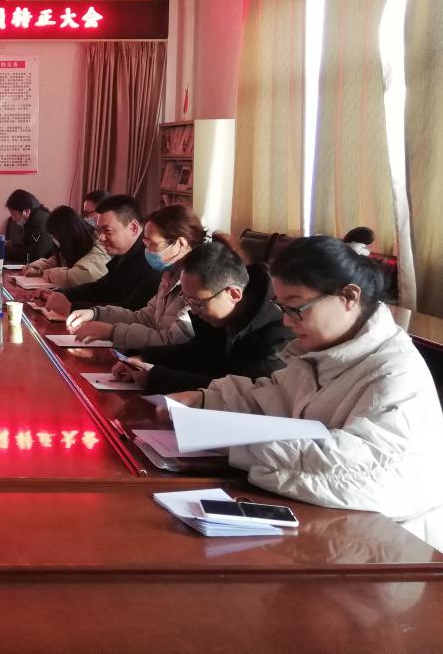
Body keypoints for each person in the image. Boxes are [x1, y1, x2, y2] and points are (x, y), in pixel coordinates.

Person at [161, 236, 443, 551]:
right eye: (282, 307)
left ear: (349, 297)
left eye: (296, 308)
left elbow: (352, 469)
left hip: (389, 547)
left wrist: (236, 444)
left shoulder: (395, 374)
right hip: (325, 526)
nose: (286, 320)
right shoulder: (325, 353)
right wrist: (205, 400)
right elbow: (273, 397)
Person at [112, 237, 292, 394]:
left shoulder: (277, 333)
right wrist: (143, 358)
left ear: (233, 294)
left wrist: (156, 377)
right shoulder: (216, 316)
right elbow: (196, 352)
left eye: (198, 302)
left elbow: (237, 390)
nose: (194, 310)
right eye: (187, 300)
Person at [66, 203, 205, 348]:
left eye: (152, 244)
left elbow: (172, 341)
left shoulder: (198, 285)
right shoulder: (170, 275)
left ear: (180, 244)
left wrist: (112, 332)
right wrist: (96, 314)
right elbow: (145, 318)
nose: (147, 250)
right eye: (145, 243)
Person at [43, 194, 161, 317]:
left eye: (107, 231)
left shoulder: (153, 261)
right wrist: (59, 294)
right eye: (99, 231)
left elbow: (133, 310)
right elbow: (102, 288)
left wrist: (72, 308)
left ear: (133, 227)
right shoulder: (123, 252)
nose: (101, 238)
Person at [22, 206, 109, 287]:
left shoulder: (96, 249)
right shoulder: (76, 244)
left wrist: (48, 274)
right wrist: (36, 267)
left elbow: (77, 277)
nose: (53, 239)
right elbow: (58, 259)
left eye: (54, 235)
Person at [2, 189, 51, 264]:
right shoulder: (32, 219)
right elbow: (26, 246)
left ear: (27, 211)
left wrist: (3, 251)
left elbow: (35, 255)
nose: (13, 219)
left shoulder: (41, 221)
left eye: (14, 215)